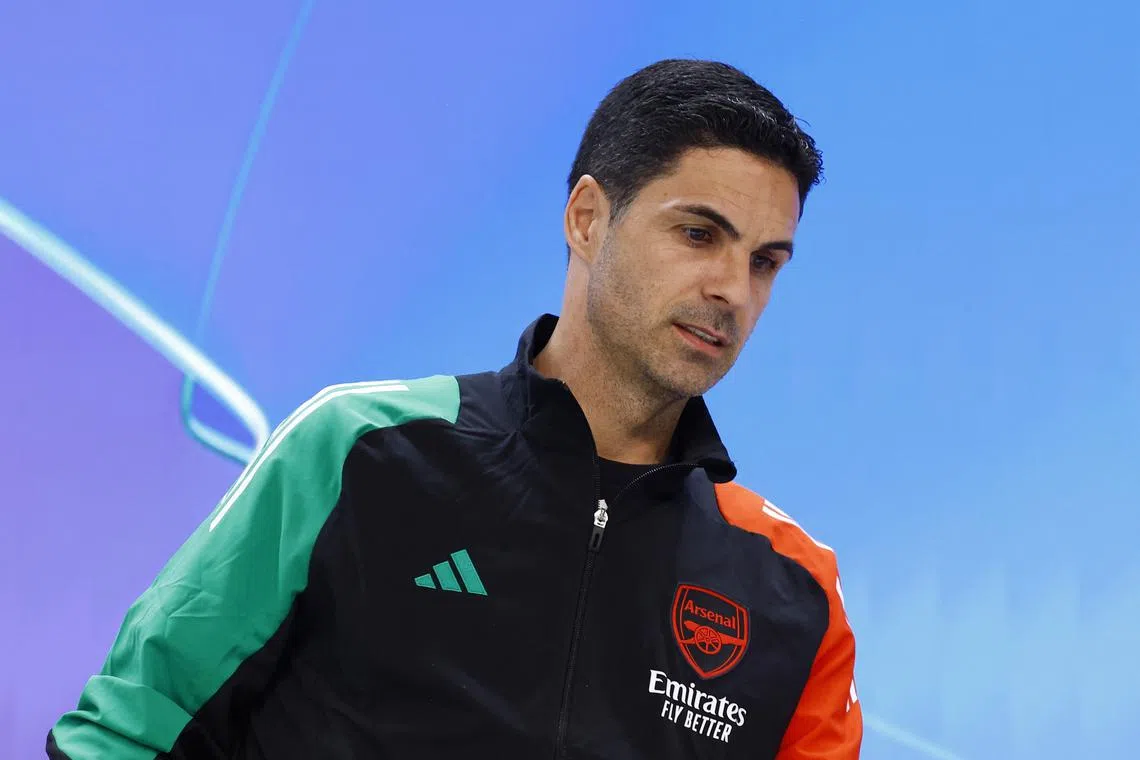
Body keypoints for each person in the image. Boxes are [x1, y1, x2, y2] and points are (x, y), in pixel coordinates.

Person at [47, 58, 861, 759]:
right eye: (697, 235)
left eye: (765, 262)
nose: (731, 289)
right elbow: (130, 731)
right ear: (586, 218)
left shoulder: (792, 593)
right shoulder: (361, 452)